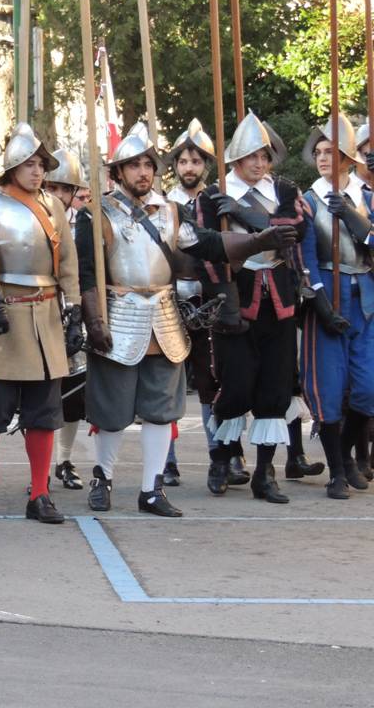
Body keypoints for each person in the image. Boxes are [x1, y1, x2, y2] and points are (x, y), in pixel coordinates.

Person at [76, 130, 297, 517]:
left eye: (148, 164)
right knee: (112, 410)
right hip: (120, 313)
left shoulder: (171, 212)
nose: (143, 172)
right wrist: (95, 320)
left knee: (162, 408)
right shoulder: (96, 213)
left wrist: (259, 240)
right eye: (134, 165)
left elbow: (210, 243)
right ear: (117, 171)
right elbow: (87, 274)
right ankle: (103, 477)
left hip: (163, 314)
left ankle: (151, 489)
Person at [0, 125, 78, 524]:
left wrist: (74, 306)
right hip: (0, 313)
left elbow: (69, 263)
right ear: (10, 166)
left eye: (41, 164)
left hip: (45, 317)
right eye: (28, 163)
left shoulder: (54, 207)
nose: (37, 171)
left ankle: (39, 494)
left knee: (44, 411)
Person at [197, 112, 306, 504]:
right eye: (251, 156)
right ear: (236, 159)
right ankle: (222, 459)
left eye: (264, 156)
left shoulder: (286, 191)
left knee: (274, 389)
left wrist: (245, 215)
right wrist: (223, 297)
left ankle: (265, 473)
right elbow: (205, 248)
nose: (259, 163)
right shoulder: (212, 196)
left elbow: (293, 231)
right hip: (236, 296)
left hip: (278, 296)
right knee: (237, 385)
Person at [300, 115, 374, 499]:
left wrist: (354, 217)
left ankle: (345, 453)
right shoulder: (308, 200)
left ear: (348, 158)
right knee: (327, 389)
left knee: (368, 388)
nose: (324, 158)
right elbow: (306, 257)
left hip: (365, 297)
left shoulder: (367, 198)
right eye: (319, 152)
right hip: (328, 295)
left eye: (332, 152)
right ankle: (336, 471)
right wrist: (321, 301)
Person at [162, 119, 225, 479]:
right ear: (176, 165)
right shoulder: (162, 203)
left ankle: (219, 454)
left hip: (208, 297)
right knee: (169, 380)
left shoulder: (217, 201)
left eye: (197, 162)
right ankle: (166, 459)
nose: (190, 168)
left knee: (210, 380)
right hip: (169, 298)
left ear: (206, 165)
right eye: (184, 161)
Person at [43, 148, 91, 491]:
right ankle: (40, 466)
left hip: (74, 312)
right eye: (54, 187)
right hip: (40, 309)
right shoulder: (29, 216)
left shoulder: (85, 222)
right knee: (42, 395)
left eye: (66, 189)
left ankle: (64, 458)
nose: (59, 195)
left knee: (74, 395)